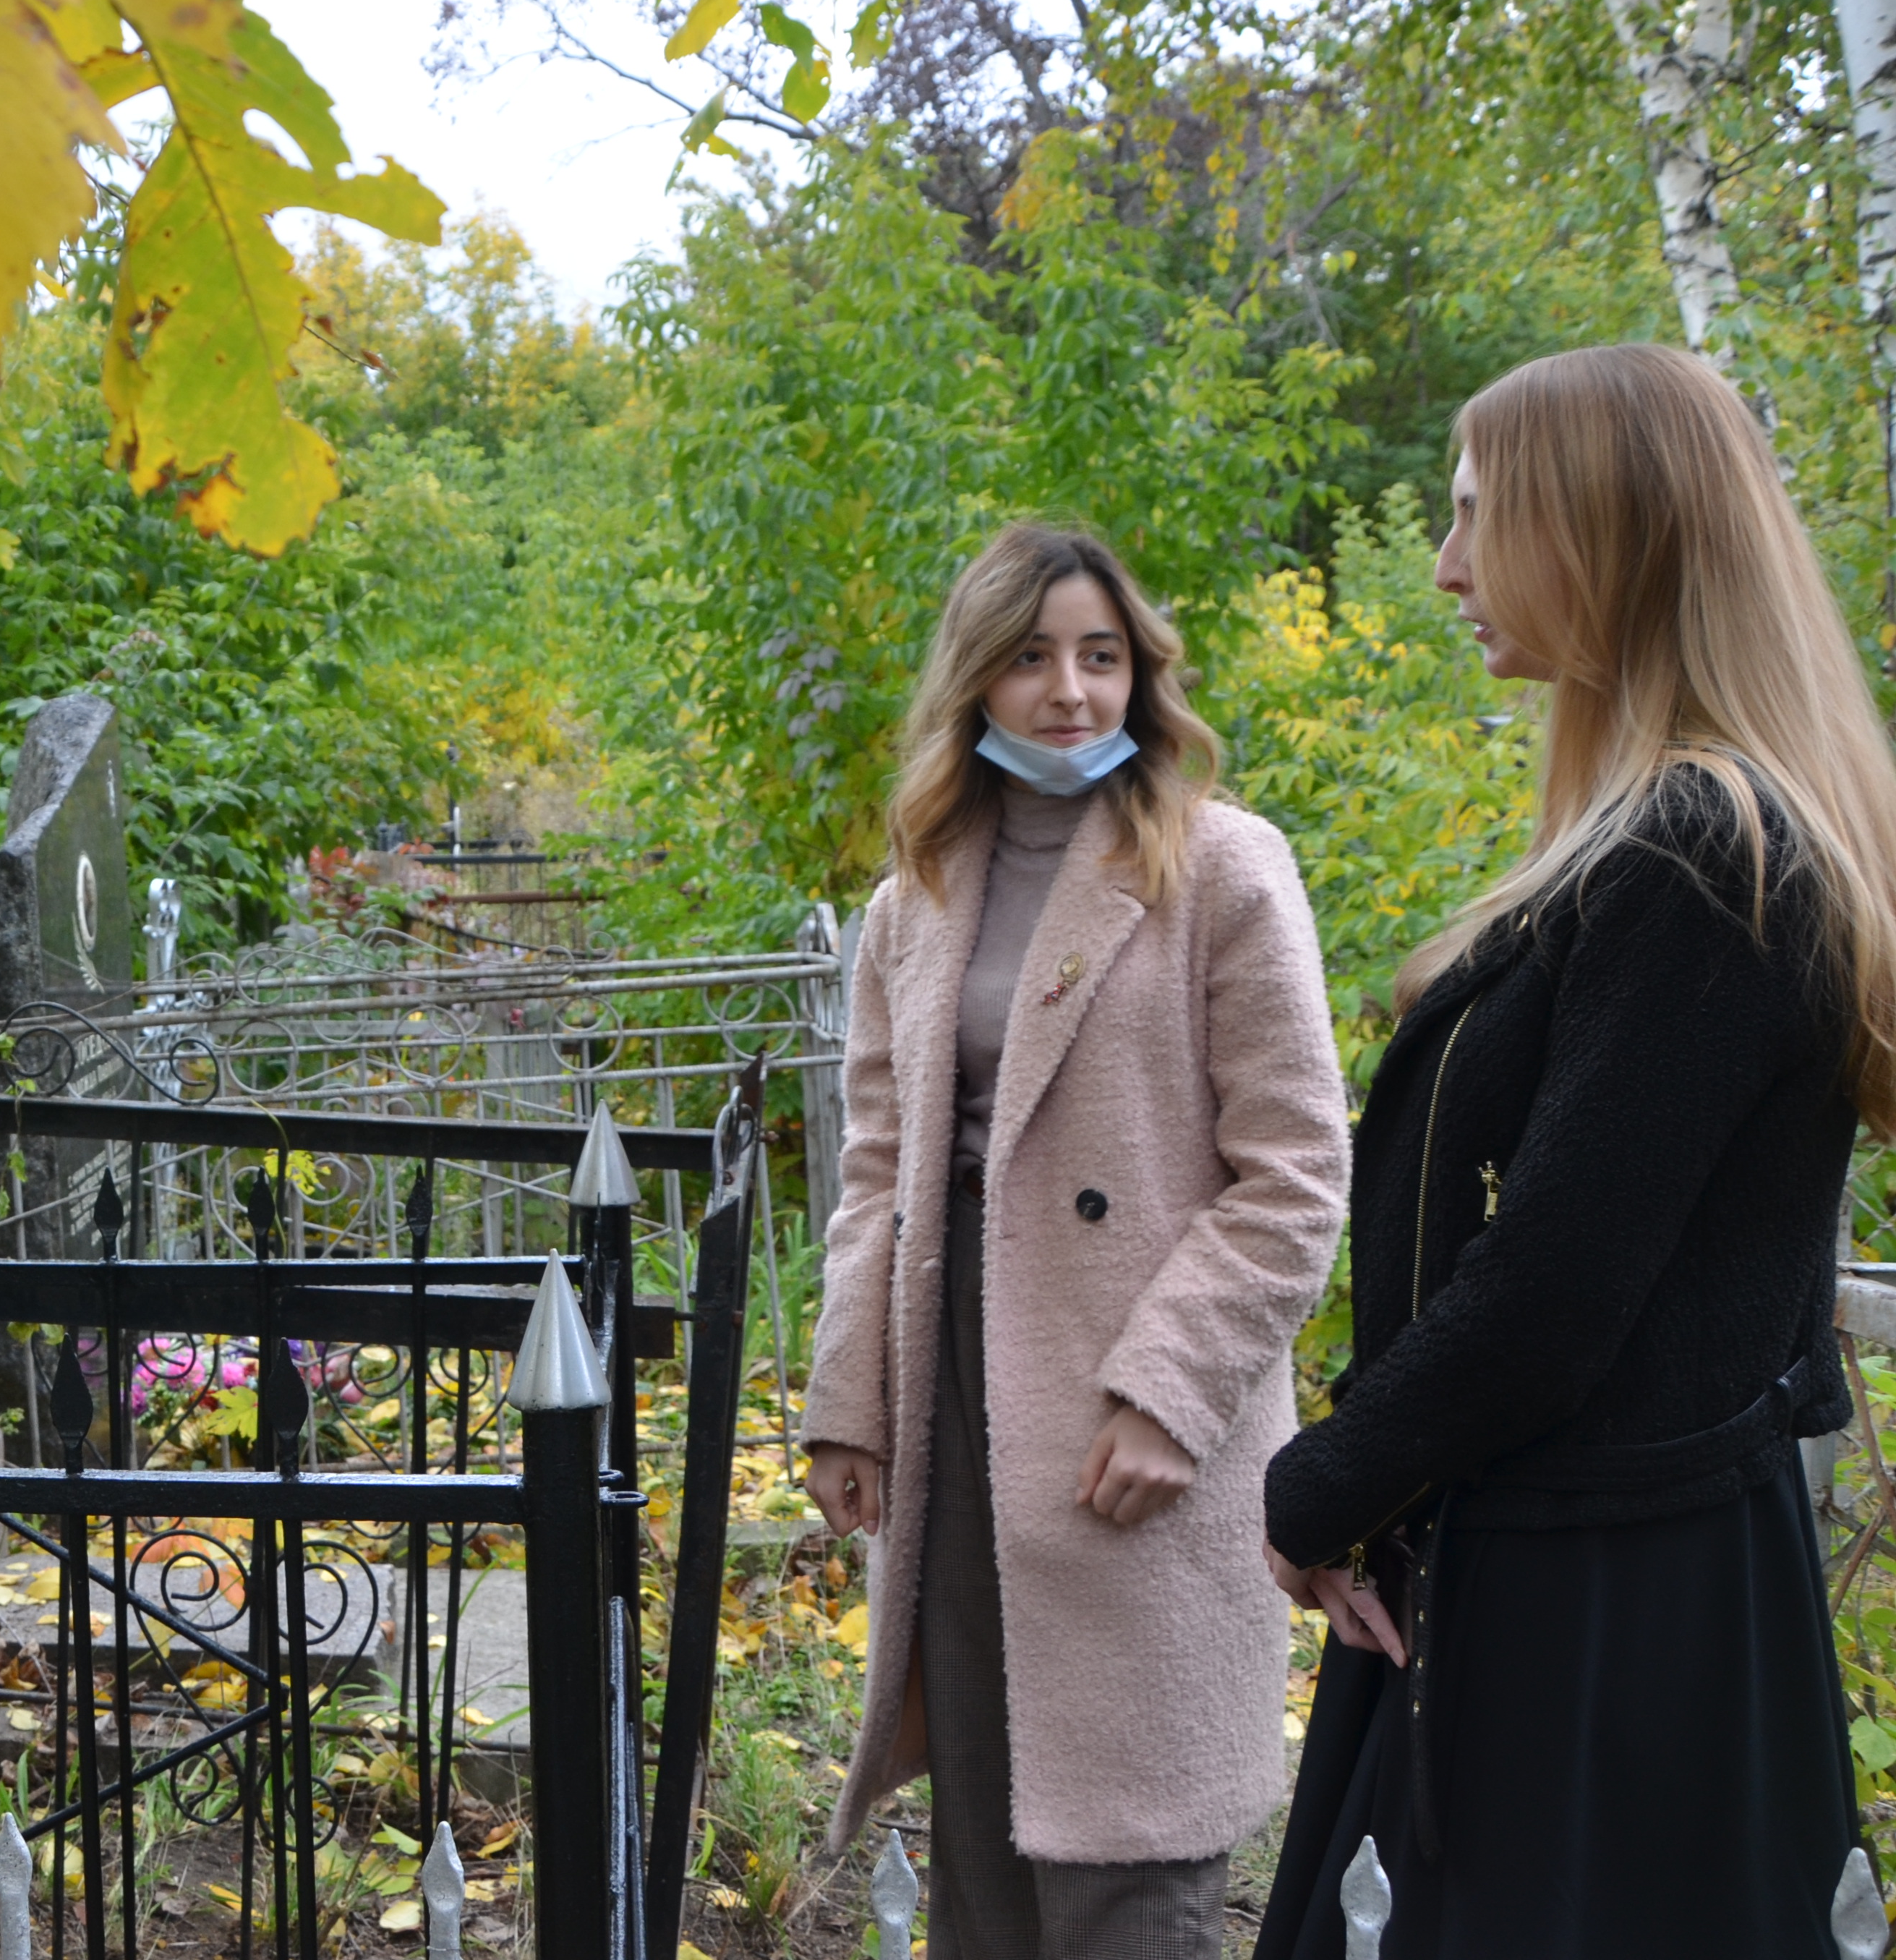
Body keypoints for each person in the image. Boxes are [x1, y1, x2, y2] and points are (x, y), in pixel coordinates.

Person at [1255, 346, 1895, 1957]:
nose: (1447, 565)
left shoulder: (1705, 856)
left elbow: (1550, 1287)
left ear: (1608, 529)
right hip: (1580, 1572)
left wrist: (1317, 1488)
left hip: (1604, 1606)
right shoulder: (1677, 836)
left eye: (1480, 514)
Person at [803, 524, 1351, 1960]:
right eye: (1033, 658)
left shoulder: (1221, 866)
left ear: (1141, 675)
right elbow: (878, 1168)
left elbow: (1296, 1171)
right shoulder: (917, 896)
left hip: (1128, 1383)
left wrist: (1171, 1391)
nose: (1069, 691)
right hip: (954, 1385)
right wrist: (849, 1397)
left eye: (1100, 657)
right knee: (985, 1839)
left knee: (1129, 1853)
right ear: (976, 678)